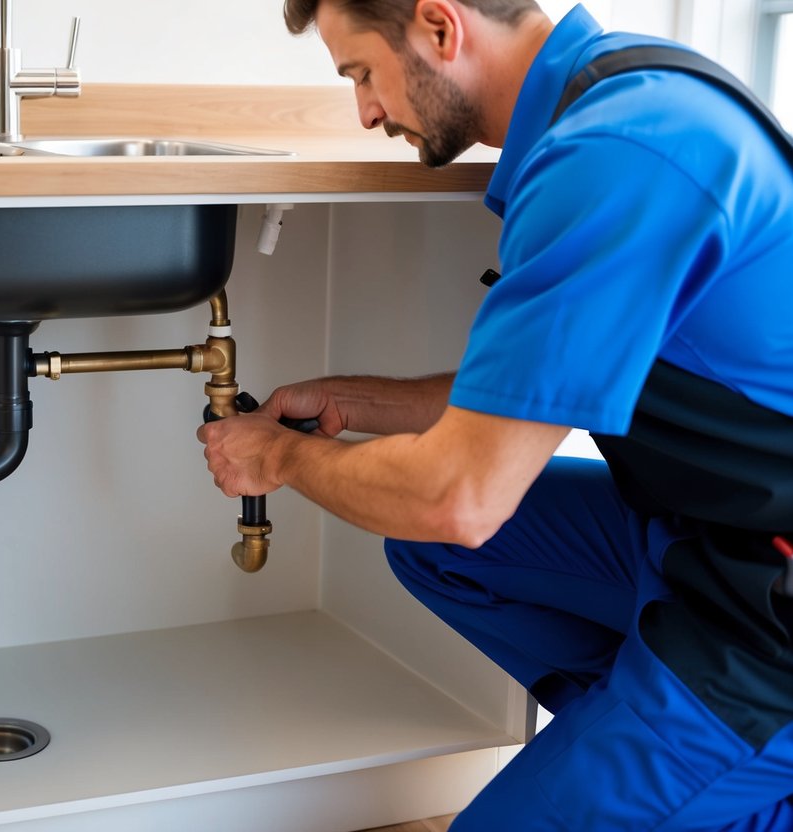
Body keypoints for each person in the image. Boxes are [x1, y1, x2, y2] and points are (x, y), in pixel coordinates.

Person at [196, 1, 793, 828]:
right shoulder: (613, 104)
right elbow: (534, 386)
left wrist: (279, 461)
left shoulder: (614, 155)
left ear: (439, 27)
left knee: (438, 524)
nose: (365, 111)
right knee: (430, 554)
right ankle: (648, 753)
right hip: (702, 541)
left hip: (767, 616)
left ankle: (716, 772)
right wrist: (356, 403)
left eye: (361, 73)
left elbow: (460, 499)